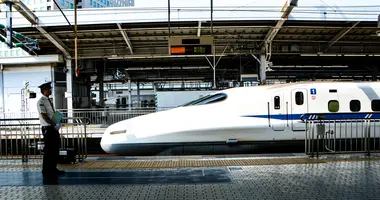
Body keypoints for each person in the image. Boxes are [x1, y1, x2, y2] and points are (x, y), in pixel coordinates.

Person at [37, 82, 65, 176]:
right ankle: (46, 170)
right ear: (43, 90)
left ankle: (53, 168)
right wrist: (54, 124)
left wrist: (57, 120)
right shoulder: (41, 101)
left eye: (50, 88)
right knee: (49, 149)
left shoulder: (49, 100)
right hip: (48, 128)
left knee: (55, 149)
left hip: (52, 127)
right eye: (49, 89)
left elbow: (51, 114)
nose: (50, 90)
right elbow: (44, 115)